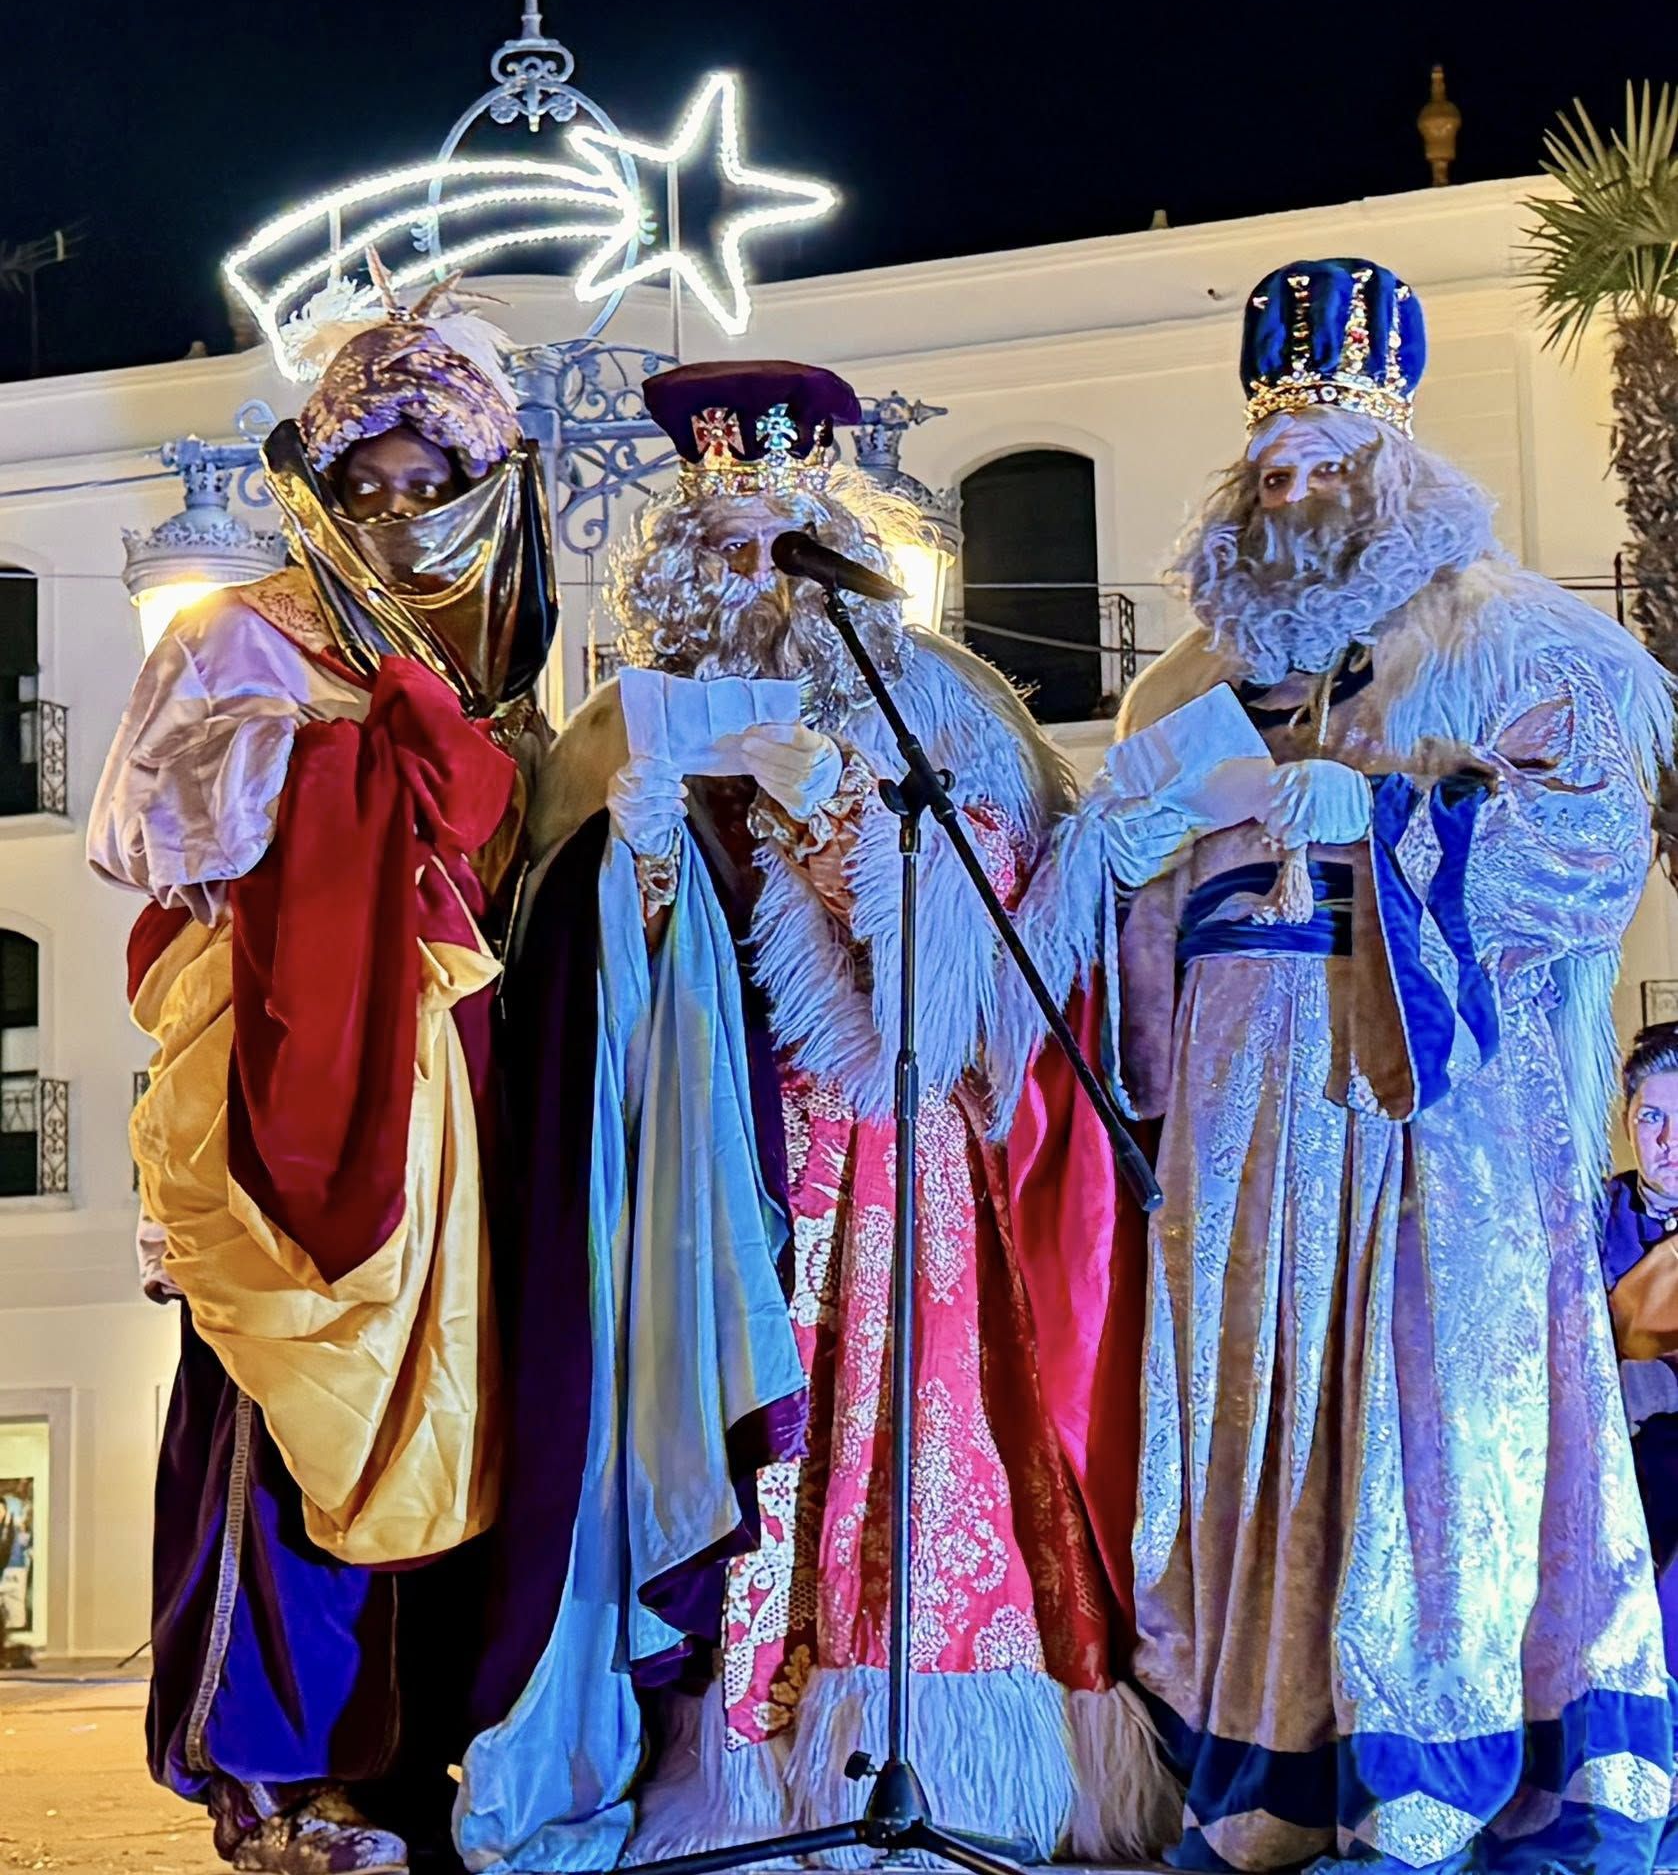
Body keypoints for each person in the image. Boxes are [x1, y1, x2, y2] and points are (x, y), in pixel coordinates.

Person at [1001, 259, 1677, 1871]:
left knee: (1434, 1443)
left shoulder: (1525, 644)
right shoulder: (1175, 686)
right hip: (1234, 1164)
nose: (1295, 491)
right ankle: (1264, 1790)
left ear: (1396, 475)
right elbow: (1112, 971)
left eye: (1329, 464)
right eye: (1274, 468)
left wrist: (1378, 822)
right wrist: (1126, 853)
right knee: (1252, 1454)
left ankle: (1436, 1785)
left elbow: (1586, 852)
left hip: (1430, 1141)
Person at [456, 360, 1173, 1871]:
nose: (748, 580)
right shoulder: (612, 725)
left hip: (889, 1171)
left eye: (777, 543)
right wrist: (636, 856)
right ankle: (708, 1768)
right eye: (717, 545)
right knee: (704, 1448)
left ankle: (927, 1762)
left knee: (902, 1449)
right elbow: (548, 973)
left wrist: (839, 812)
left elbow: (993, 957)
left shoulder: (938, 703)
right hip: (694, 1162)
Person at [89, 268, 556, 1875]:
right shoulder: (242, 634)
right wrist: (353, 758)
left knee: (469, 1423)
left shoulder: (499, 674)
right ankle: (277, 1775)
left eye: (438, 484)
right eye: (370, 480)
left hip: (466, 1110)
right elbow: (145, 841)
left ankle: (426, 1760)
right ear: (322, 481)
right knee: (283, 1421)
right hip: (297, 1086)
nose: (404, 510)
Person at [1601, 1023, 1678, 1676]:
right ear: (1627, 1122)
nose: (1669, 1141)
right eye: (1651, 1116)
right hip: (1600, 1460)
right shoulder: (1589, 1217)